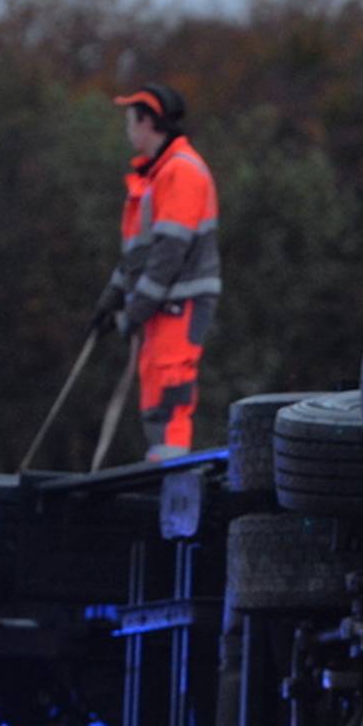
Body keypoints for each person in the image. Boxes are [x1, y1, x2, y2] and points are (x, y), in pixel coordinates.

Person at [93, 83, 221, 459]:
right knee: (156, 391)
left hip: (181, 303)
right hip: (163, 307)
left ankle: (173, 481)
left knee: (171, 391)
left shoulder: (181, 173)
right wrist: (111, 300)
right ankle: (163, 473)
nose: (127, 129)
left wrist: (134, 311)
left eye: (131, 120)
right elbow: (137, 255)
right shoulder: (156, 177)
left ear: (148, 121)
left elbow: (169, 255)